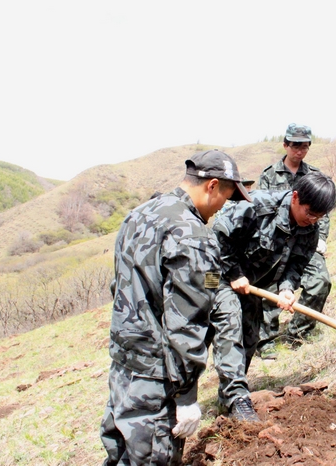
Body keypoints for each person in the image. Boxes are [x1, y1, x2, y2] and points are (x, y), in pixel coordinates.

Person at [99, 150, 251, 465]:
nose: (224, 207)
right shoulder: (195, 237)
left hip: (123, 368)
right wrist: (186, 397)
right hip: (157, 377)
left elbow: (120, 286)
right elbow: (190, 320)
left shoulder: (139, 214)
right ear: (211, 186)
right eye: (226, 197)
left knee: (121, 455)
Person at [208, 171, 336, 421]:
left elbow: (297, 263)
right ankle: (234, 399)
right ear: (295, 197)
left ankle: (230, 395)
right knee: (227, 323)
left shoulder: (310, 228)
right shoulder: (256, 206)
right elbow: (219, 237)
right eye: (309, 213)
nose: (312, 220)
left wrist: (287, 288)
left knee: (249, 336)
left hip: (251, 284)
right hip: (215, 274)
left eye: (318, 217)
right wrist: (234, 272)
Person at [257, 123, 332, 356]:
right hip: (276, 242)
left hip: (305, 241)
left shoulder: (314, 176)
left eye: (305, 147)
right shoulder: (269, 175)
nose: (299, 151)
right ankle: (265, 339)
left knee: (321, 280)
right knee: (270, 284)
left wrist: (320, 241)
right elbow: (264, 211)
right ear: (286, 145)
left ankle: (298, 331)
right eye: (295, 146)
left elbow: (323, 213)